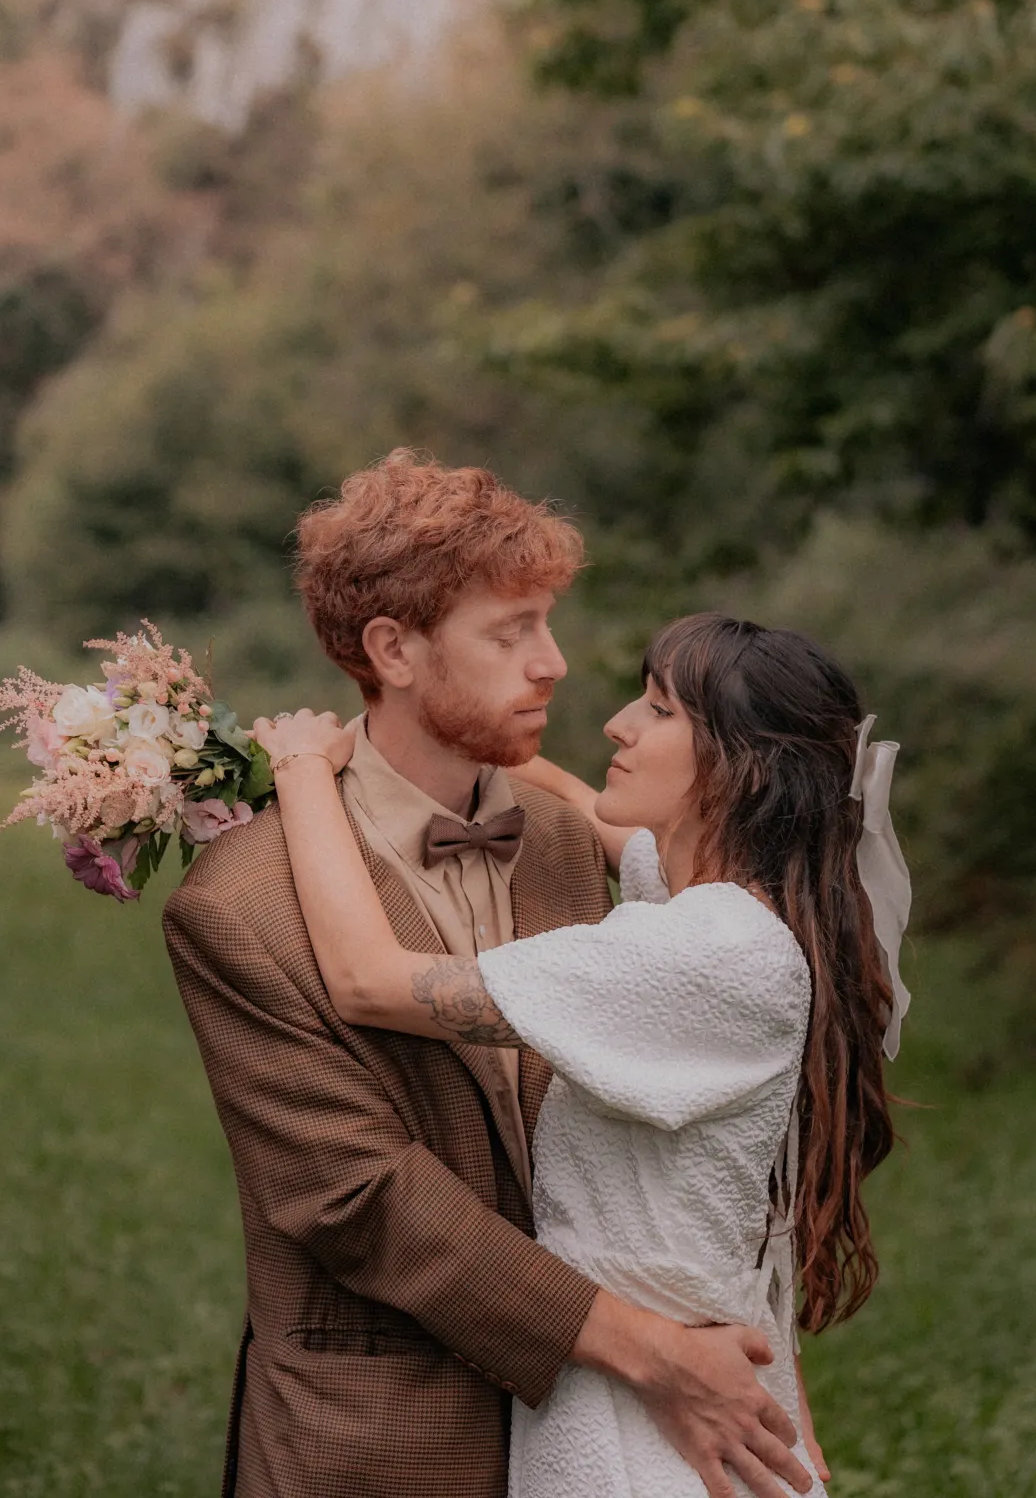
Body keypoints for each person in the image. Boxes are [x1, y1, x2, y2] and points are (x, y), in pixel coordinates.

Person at [164, 452, 815, 1498]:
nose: (553, 664)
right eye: (510, 633)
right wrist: (650, 1351)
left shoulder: (579, 842)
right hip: (383, 1437)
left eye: (546, 623)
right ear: (394, 650)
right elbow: (359, 1199)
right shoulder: (238, 908)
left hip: (618, 1429)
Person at [254, 609, 910, 1497]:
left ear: (740, 765)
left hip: (643, 1404)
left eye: (659, 710)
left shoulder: (706, 955)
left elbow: (369, 981)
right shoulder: (735, 908)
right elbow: (586, 807)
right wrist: (462, 717)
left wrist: (299, 770)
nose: (617, 725)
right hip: (657, 1354)